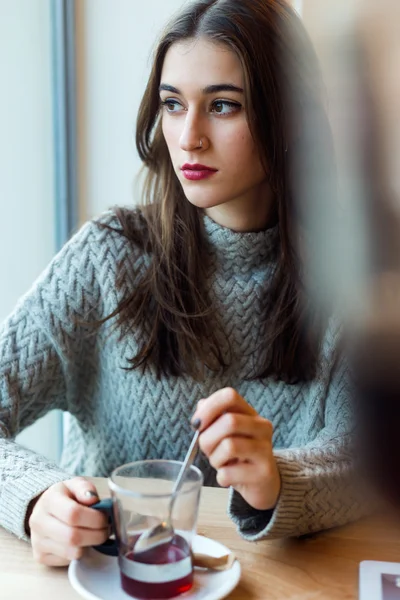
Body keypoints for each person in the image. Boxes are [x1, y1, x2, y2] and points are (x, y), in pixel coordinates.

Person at [0, 0, 363, 567]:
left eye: (222, 105)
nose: (188, 137)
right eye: (173, 104)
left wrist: (277, 477)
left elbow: (369, 460)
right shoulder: (108, 256)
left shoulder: (347, 281)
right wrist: (34, 500)